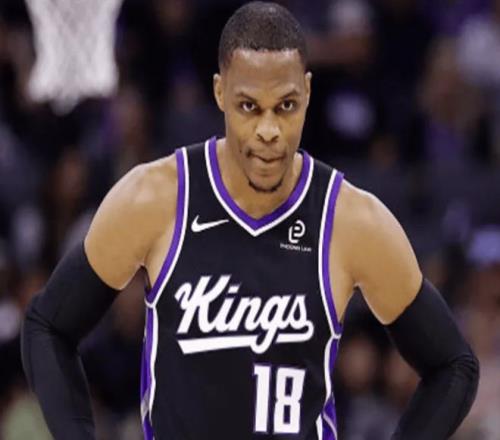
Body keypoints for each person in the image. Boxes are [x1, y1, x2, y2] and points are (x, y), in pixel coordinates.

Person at [21, 2, 479, 439]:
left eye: (286, 106)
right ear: (220, 92)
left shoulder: (350, 219)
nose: (268, 130)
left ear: (308, 93)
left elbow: (453, 366)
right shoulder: (156, 198)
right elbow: (47, 327)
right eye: (249, 107)